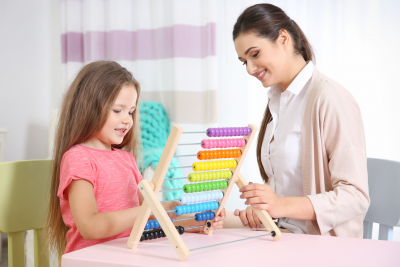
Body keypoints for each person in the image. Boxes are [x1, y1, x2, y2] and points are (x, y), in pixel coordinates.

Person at [45, 61, 226, 259]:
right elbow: (90, 226)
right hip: (91, 260)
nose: (128, 120)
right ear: (89, 107)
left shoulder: (127, 159)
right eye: (117, 110)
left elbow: (151, 219)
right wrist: (157, 208)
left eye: (131, 111)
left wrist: (196, 222)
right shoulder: (78, 158)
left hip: (128, 257)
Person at [230, 4, 369, 237]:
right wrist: (265, 208)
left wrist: (280, 205)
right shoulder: (277, 102)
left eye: (255, 54)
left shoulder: (330, 98)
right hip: (282, 235)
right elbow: (285, 191)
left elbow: (355, 197)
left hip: (323, 247)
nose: (250, 69)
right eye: (244, 61)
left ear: (283, 39)